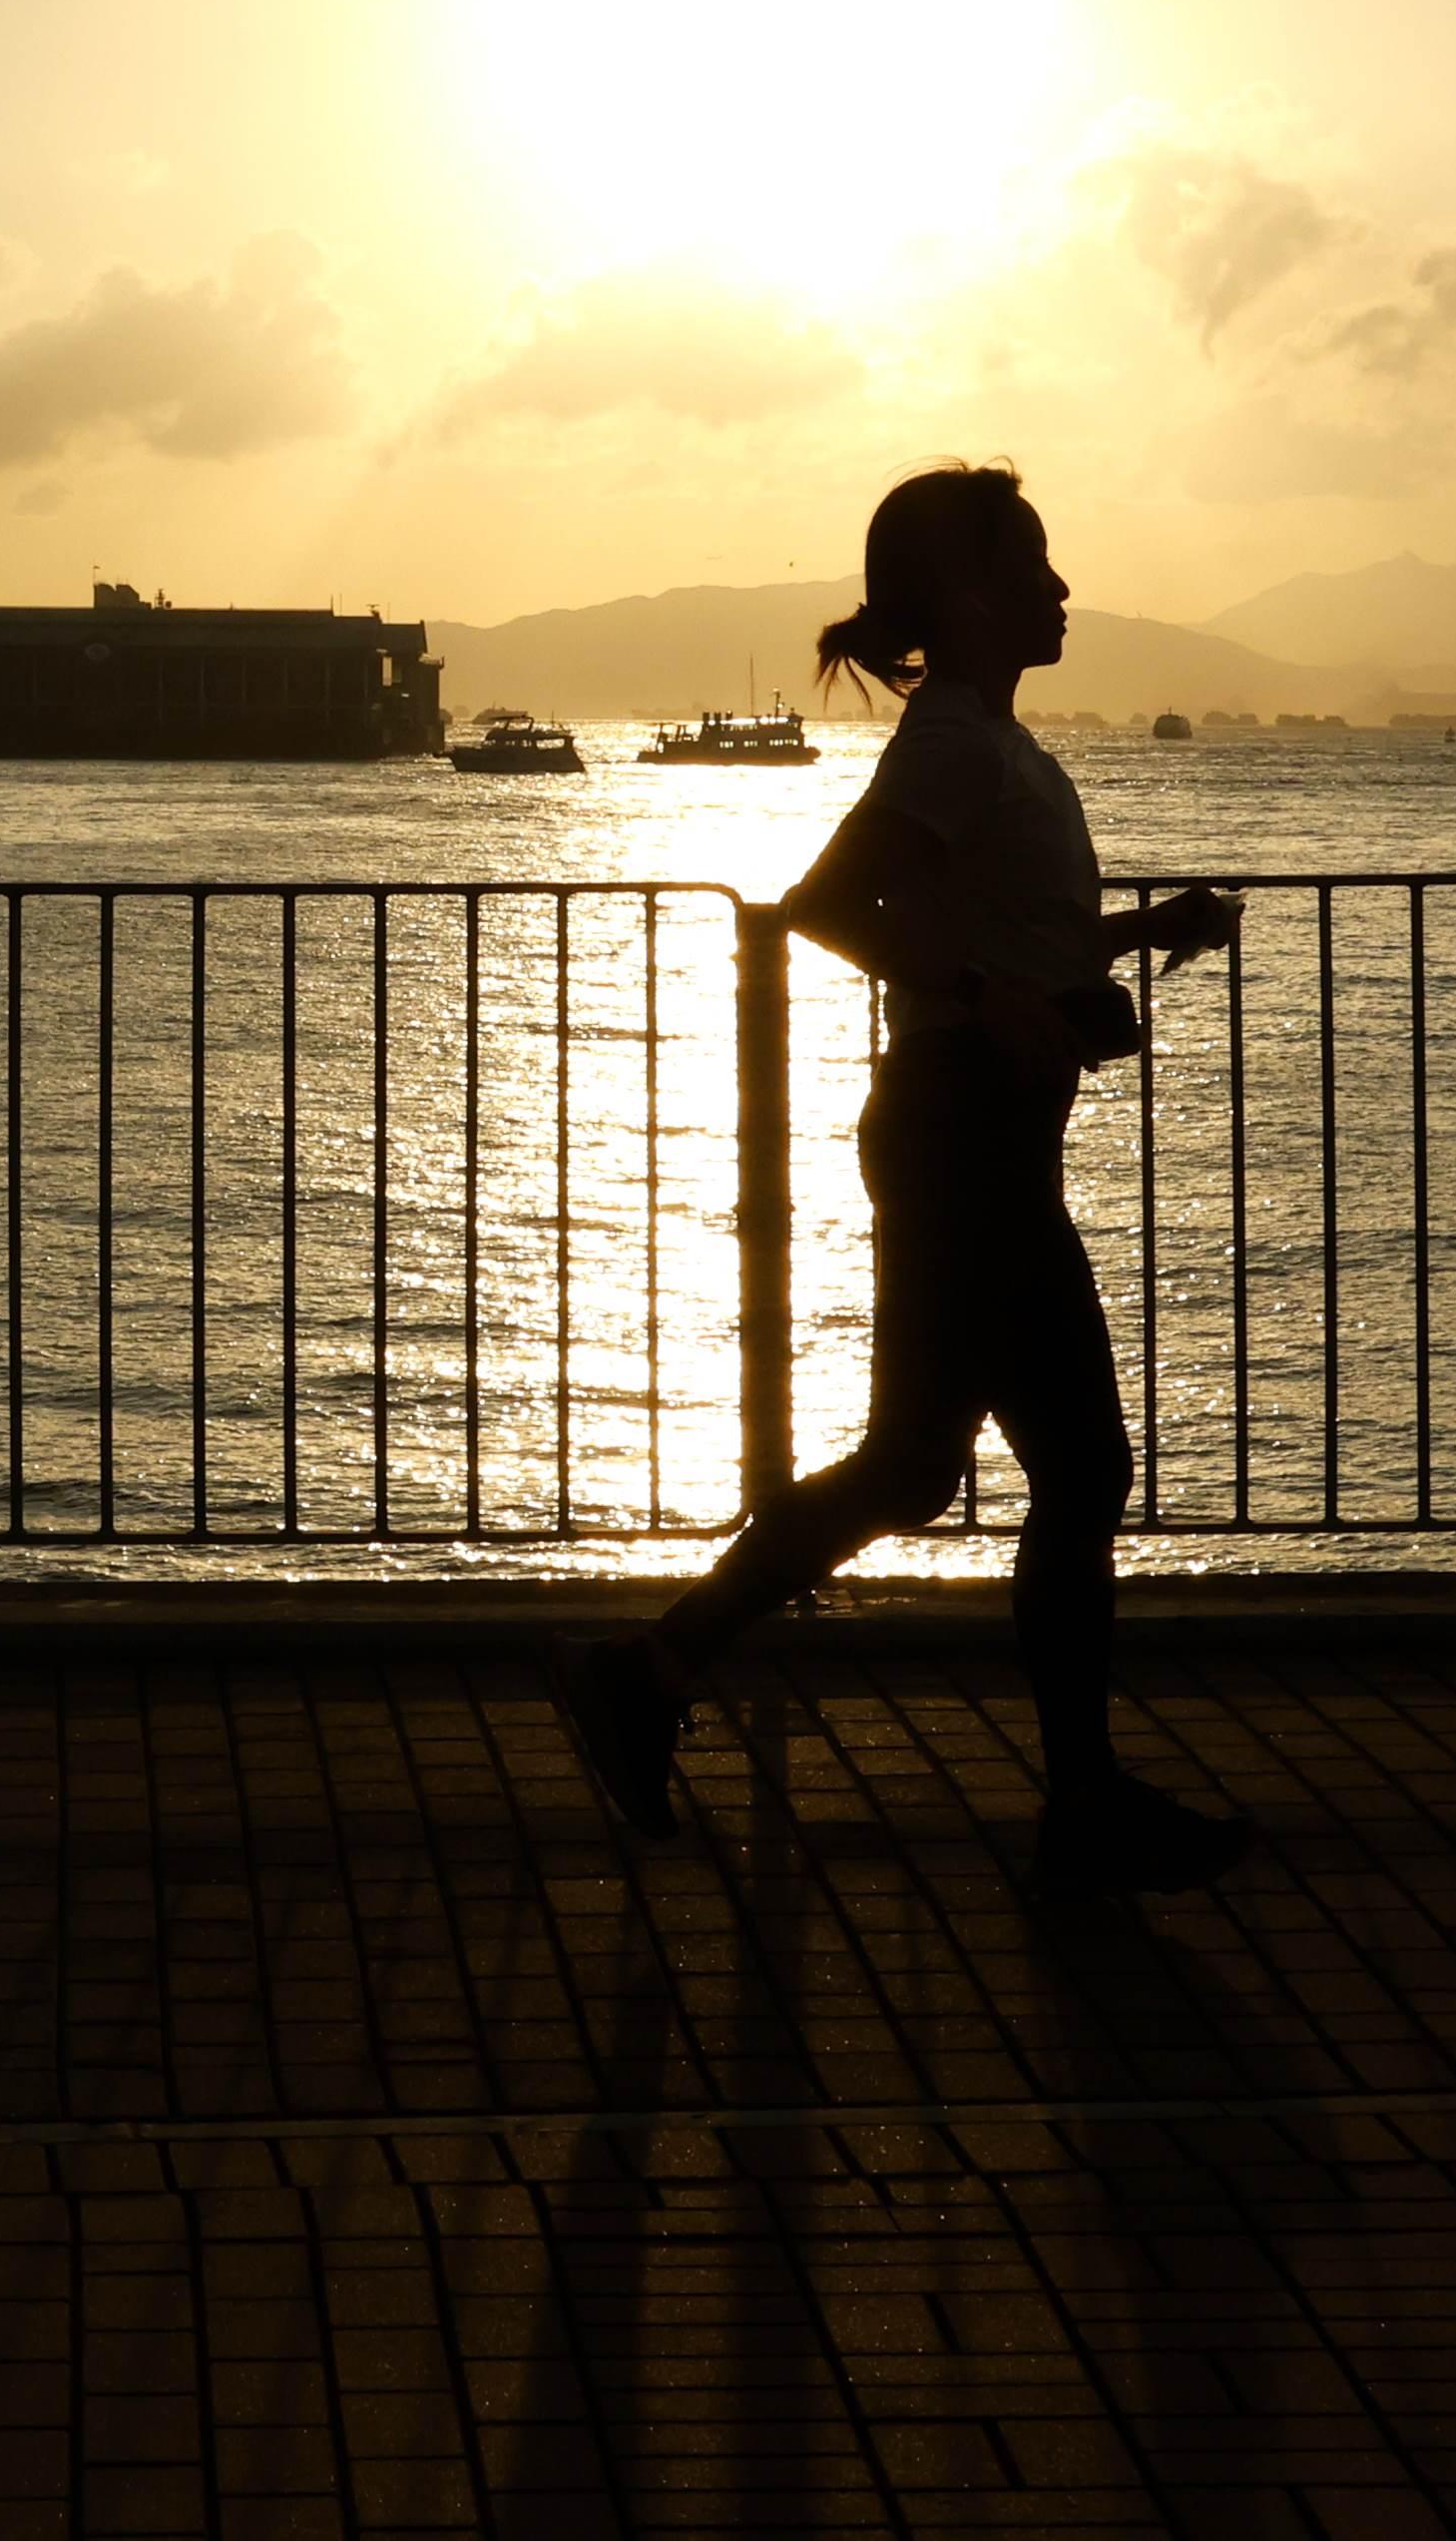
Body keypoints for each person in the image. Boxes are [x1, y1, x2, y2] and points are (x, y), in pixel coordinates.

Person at [555, 462, 1254, 1897]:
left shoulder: (987, 743)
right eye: (1035, 566)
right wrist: (989, 995)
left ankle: (649, 1673)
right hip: (964, 1139)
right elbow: (826, 906)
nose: (1062, 589)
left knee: (914, 1466)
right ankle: (1079, 1804)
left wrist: (1130, 938)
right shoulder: (954, 746)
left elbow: (997, 941)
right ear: (969, 596)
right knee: (1080, 1469)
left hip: (972, 1133)